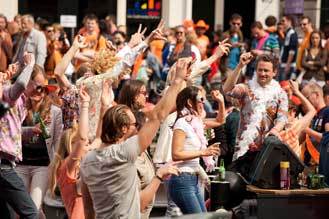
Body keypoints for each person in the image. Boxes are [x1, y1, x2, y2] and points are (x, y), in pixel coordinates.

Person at [80, 57, 188, 219]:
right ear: (124, 129)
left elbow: (88, 210)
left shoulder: (87, 160)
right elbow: (157, 116)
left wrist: (104, 107)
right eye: (133, 124)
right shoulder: (124, 152)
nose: (137, 128)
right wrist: (159, 176)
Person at [223, 53, 288, 177]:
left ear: (274, 72)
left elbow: (282, 119)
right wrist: (240, 66)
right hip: (243, 148)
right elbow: (227, 90)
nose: (262, 73)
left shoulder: (281, 94)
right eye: (260, 70)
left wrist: (274, 131)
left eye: (266, 70)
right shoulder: (247, 88)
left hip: (266, 150)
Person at [16, 65, 63, 219]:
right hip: (20, 164)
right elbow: (10, 133)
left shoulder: (55, 112)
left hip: (42, 166)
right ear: (28, 86)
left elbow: (58, 142)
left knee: (33, 208)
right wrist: (30, 129)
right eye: (35, 87)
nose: (38, 92)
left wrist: (55, 169)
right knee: (20, 210)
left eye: (42, 88)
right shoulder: (19, 108)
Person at [169, 86, 225, 214]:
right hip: (182, 179)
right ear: (189, 102)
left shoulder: (196, 122)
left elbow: (220, 121)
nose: (203, 102)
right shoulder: (182, 123)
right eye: (200, 99)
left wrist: (221, 102)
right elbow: (176, 154)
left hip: (192, 179)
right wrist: (203, 152)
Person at [0, 53, 38, 218]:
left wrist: (31, 130)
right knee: (31, 213)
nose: (40, 91)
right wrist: (30, 65)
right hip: (3, 167)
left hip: (5, 164)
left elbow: (12, 132)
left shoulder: (21, 102)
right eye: (38, 86)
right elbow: (21, 83)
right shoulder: (9, 93)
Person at [279, 80, 316, 158]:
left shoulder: (273, 128)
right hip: (292, 166)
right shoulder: (293, 126)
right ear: (293, 112)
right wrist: (297, 92)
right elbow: (312, 111)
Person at [302, 82, 329, 166]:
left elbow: (327, 139)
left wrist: (305, 129)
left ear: (316, 95)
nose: (304, 102)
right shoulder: (315, 116)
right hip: (311, 164)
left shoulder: (327, 112)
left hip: (321, 164)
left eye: (306, 98)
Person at [279, 15, 298, 81]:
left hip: (288, 66)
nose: (282, 23)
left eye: (283, 21)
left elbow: (292, 51)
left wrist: (288, 65)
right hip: (284, 64)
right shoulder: (287, 33)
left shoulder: (292, 33)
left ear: (289, 22)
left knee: (286, 87)